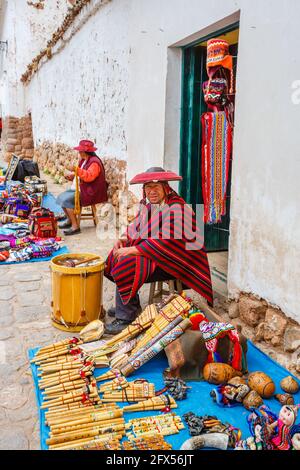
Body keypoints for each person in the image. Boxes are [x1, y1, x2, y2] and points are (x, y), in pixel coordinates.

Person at [104, 166, 213, 335]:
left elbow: (166, 243)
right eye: (148, 187)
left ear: (165, 187)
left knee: (127, 262)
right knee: (115, 254)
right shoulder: (151, 206)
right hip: (158, 255)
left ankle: (126, 318)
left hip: (176, 260)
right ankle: (128, 305)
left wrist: (134, 249)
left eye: (156, 187)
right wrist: (123, 239)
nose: (151, 192)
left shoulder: (178, 209)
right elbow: (137, 229)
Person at [57, 139, 108, 235]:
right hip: (82, 188)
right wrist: (72, 176)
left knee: (66, 201)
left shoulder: (94, 163)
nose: (79, 152)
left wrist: (76, 170)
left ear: (85, 151)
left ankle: (75, 227)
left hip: (91, 192)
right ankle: (70, 220)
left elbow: (89, 177)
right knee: (61, 198)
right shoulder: (84, 160)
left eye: (80, 150)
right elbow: (81, 174)